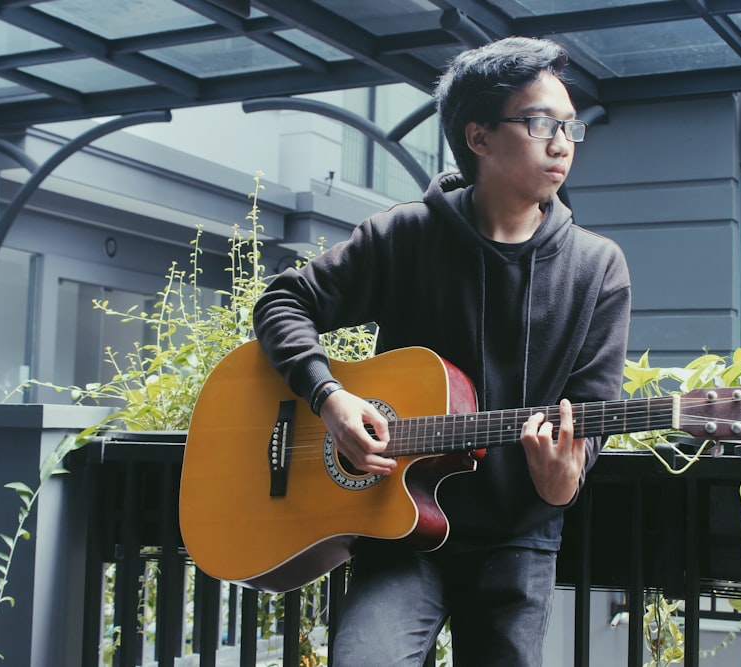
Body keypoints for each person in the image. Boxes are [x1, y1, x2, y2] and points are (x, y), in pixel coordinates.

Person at [252, 35, 631, 667]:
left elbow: (594, 407)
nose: (562, 142)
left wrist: (566, 477)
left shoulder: (598, 268)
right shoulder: (403, 236)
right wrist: (330, 397)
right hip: (395, 527)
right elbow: (283, 302)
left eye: (569, 126)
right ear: (478, 138)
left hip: (516, 540)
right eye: (541, 123)